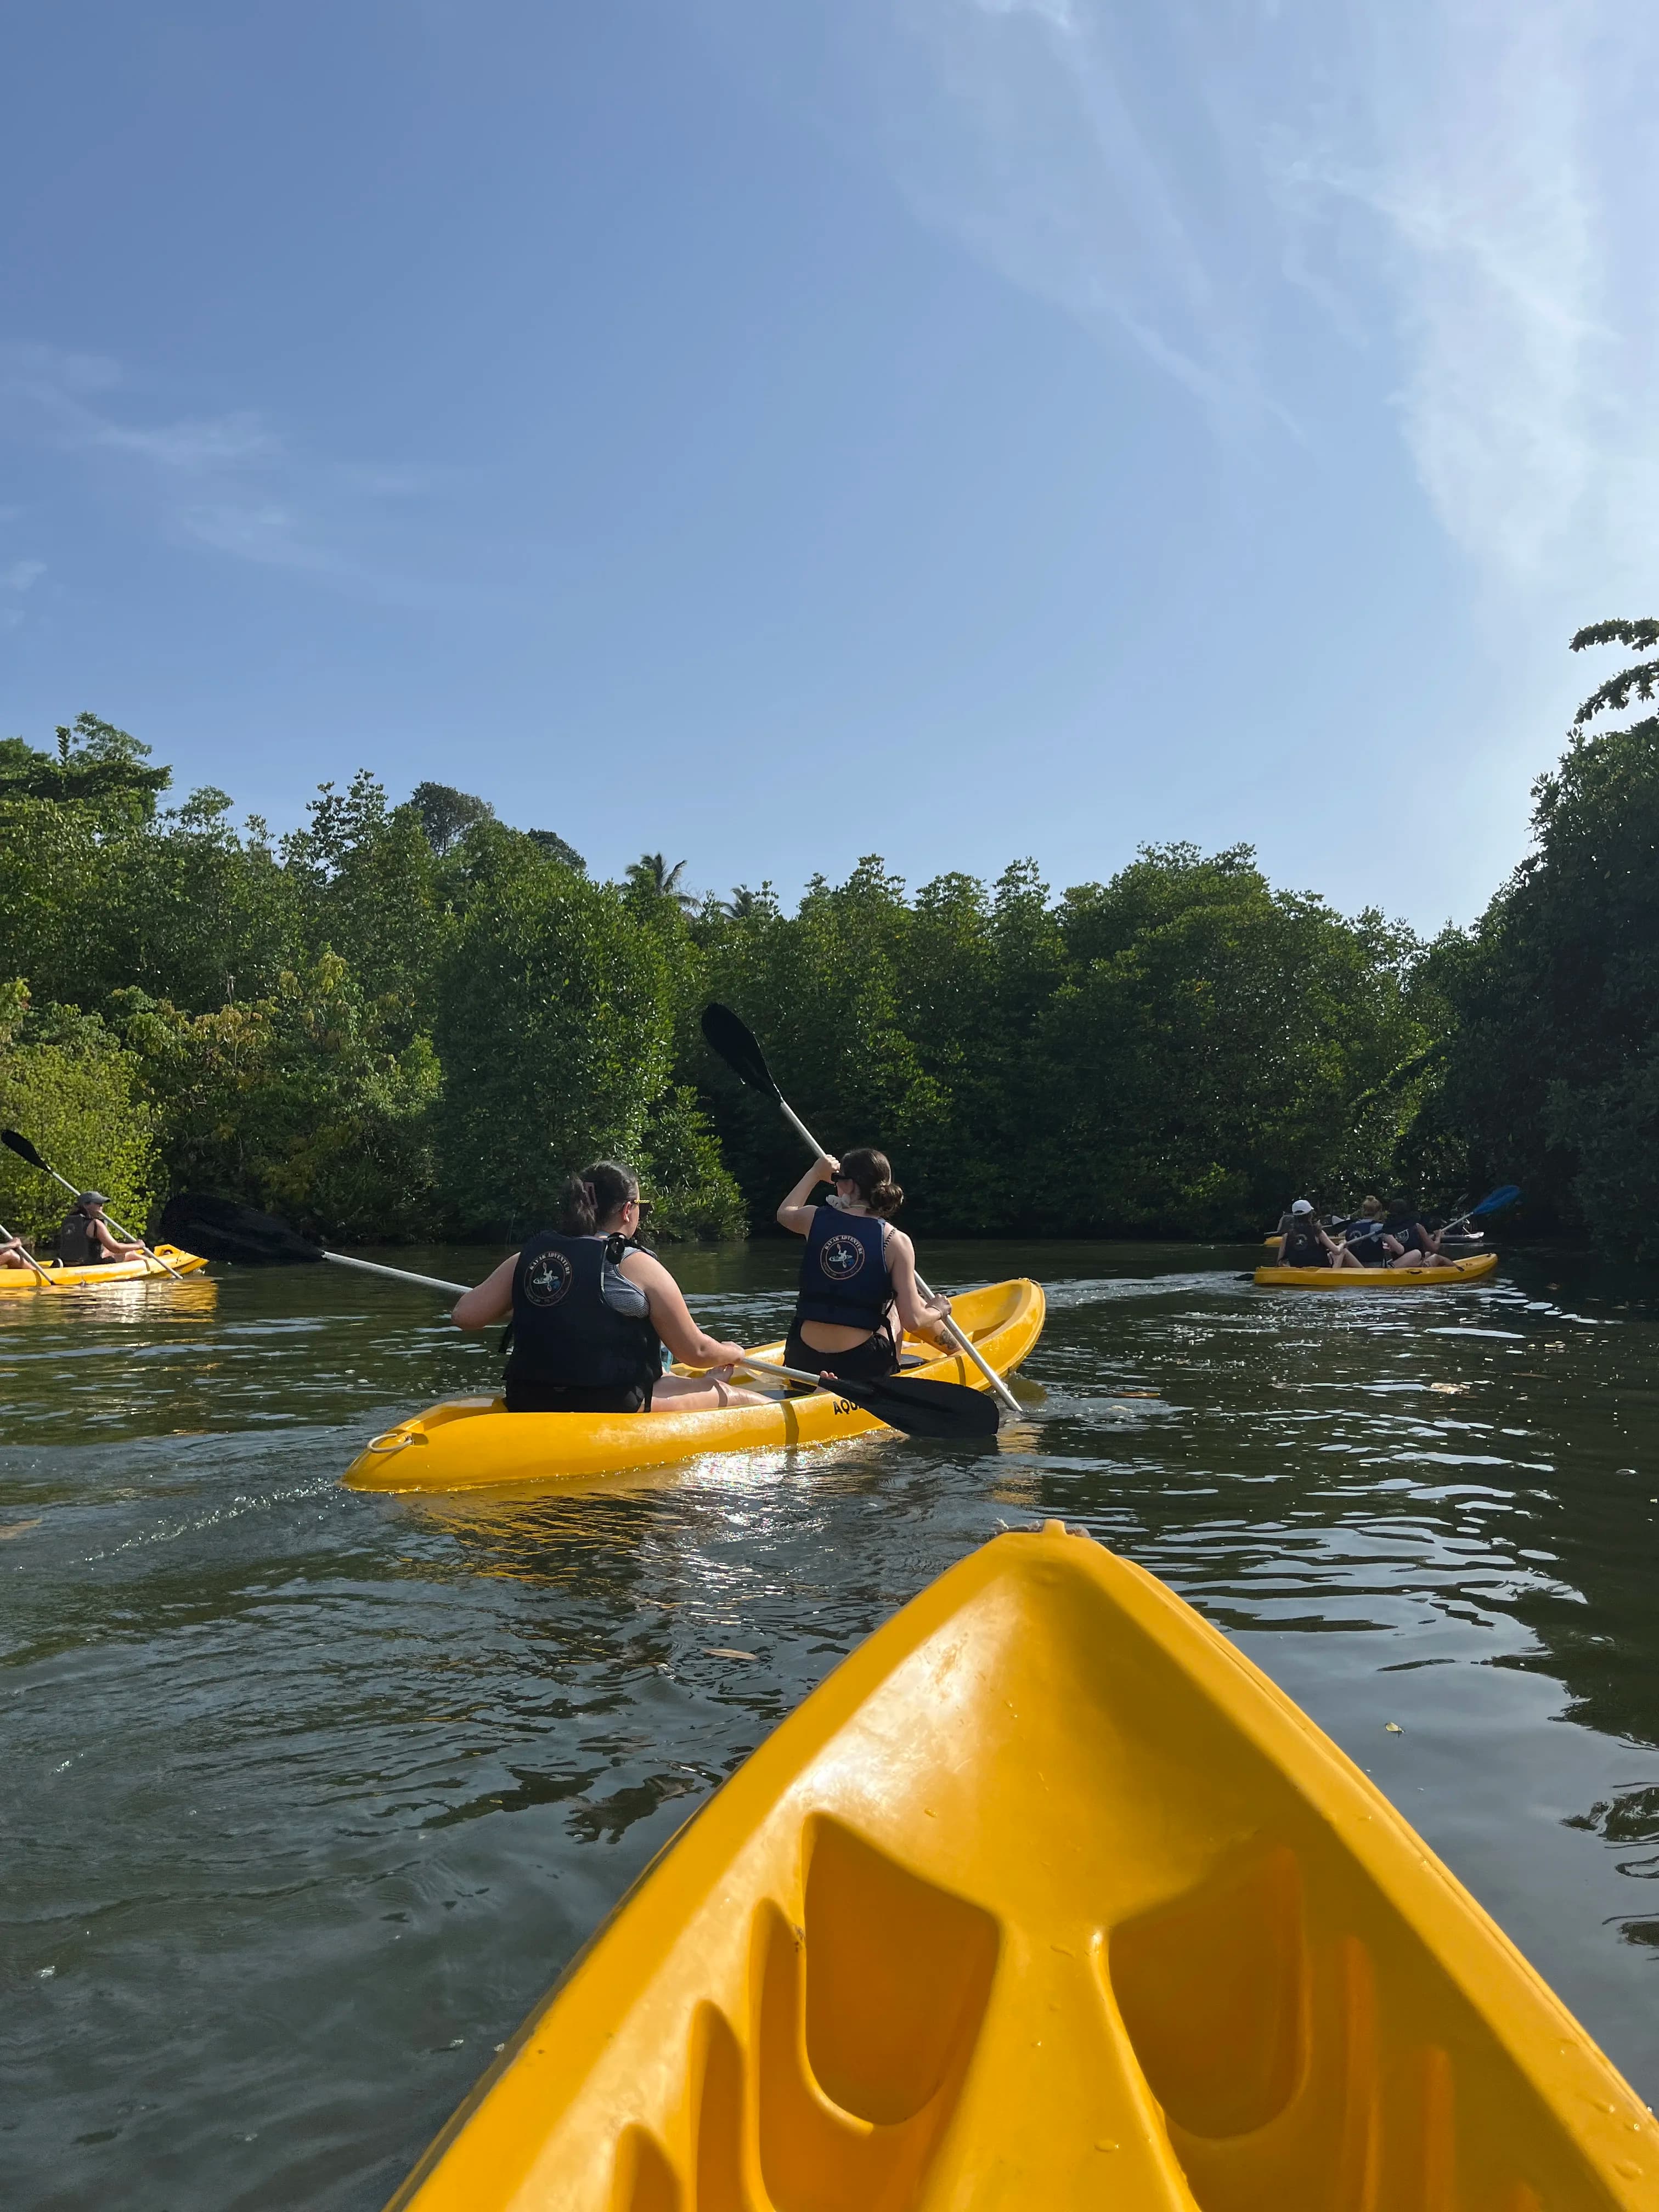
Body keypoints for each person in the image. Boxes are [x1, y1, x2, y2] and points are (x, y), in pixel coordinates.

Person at [450, 1160, 768, 1414]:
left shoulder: (529, 1260)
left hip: (528, 1399)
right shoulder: (638, 1265)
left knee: (683, 1380)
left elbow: (465, 1316)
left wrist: (533, 1298)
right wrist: (731, 1352)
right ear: (628, 1209)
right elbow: (696, 1351)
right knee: (728, 1394)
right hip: (610, 1402)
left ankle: (691, 1386)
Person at [776, 1147, 953, 1380]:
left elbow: (785, 1212)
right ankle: (942, 1356)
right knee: (894, 1303)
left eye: (837, 1180)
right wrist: (938, 1309)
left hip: (803, 1359)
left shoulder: (812, 1218)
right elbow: (914, 1320)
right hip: (858, 1367)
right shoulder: (896, 1240)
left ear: (848, 1186)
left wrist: (815, 1173)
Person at [58, 1193, 146, 1266]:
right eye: (99, 1204)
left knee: (108, 1250)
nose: (102, 1206)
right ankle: (152, 1263)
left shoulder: (68, 1221)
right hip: (88, 1265)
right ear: (86, 1205)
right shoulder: (96, 1224)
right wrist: (138, 1245)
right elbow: (116, 1248)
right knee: (130, 1254)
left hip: (68, 1263)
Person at [1275, 1198, 1361, 1269]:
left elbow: (1280, 1262)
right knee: (1343, 1251)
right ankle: (1367, 1273)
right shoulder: (1317, 1232)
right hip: (1322, 1273)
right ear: (1310, 1215)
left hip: (1300, 1272)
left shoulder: (1286, 1236)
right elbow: (1337, 1251)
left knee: (1331, 1255)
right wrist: (1343, 1244)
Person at [1381, 1199, 1448, 1269]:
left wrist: (1428, 1239)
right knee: (1436, 1257)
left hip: (1400, 1261)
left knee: (1429, 1253)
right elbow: (1434, 1248)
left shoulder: (1389, 1229)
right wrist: (1438, 1236)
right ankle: (1459, 1272)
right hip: (1410, 1264)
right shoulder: (1417, 1226)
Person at [1336, 1195, 1390, 1265]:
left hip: (1353, 1267)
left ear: (1363, 1211)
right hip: (1374, 1268)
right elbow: (1397, 1248)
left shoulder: (1352, 1226)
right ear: (1379, 1212)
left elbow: (1340, 1236)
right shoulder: (1380, 1228)